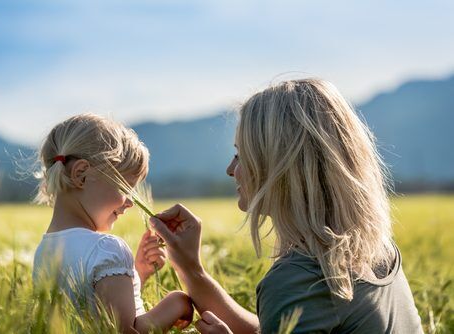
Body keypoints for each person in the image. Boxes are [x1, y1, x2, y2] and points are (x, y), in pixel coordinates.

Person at [149, 79, 424, 333]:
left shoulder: (301, 280)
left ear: (279, 169)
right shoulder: (377, 253)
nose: (231, 169)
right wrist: (190, 268)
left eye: (241, 155)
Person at [32, 113, 193, 333]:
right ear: (81, 175)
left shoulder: (45, 250)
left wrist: (137, 273)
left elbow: (90, 312)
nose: (130, 202)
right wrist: (177, 303)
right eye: (126, 188)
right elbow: (124, 330)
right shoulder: (107, 248)